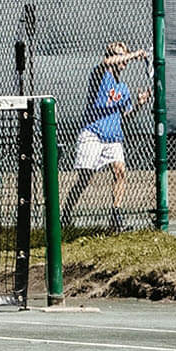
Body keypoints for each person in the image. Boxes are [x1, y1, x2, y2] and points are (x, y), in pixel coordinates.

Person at [62, 41, 152, 232]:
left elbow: (126, 116)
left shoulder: (124, 89)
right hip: (93, 134)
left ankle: (116, 217)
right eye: (117, 55)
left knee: (120, 171)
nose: (120, 59)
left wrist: (139, 104)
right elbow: (106, 61)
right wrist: (134, 54)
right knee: (85, 178)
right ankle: (66, 213)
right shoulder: (99, 74)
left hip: (113, 137)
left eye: (122, 55)